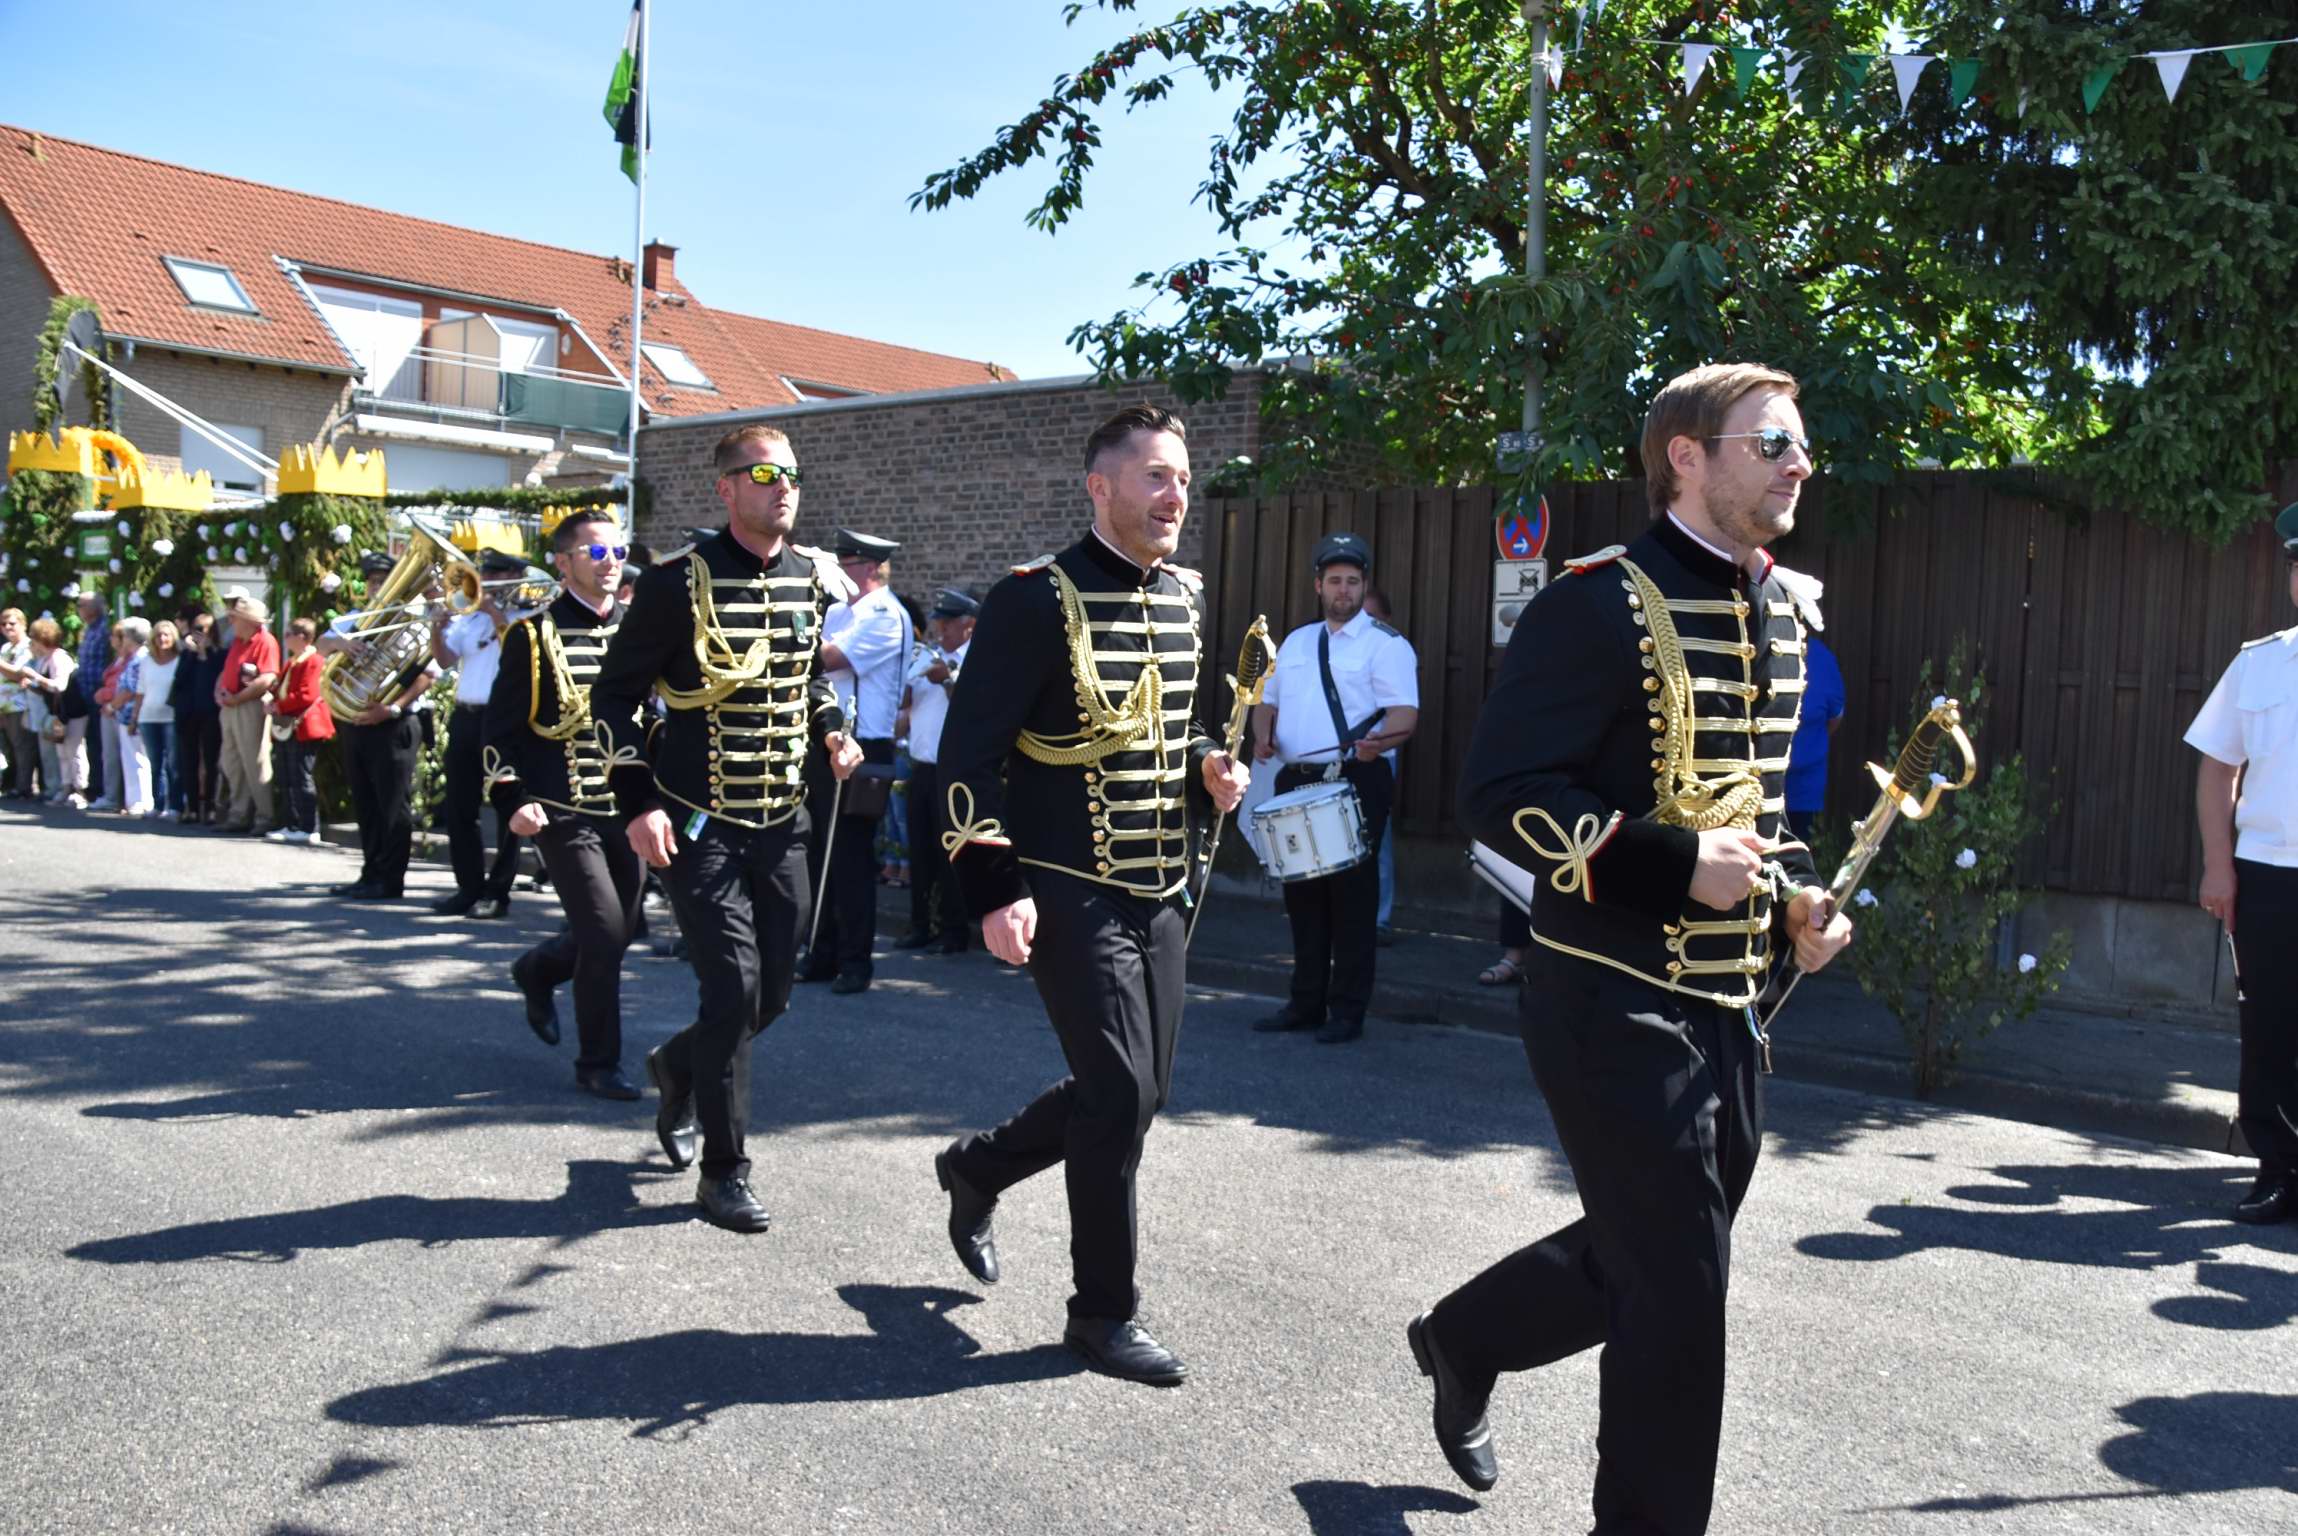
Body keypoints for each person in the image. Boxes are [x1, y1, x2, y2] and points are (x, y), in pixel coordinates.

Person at [1407, 362, 1853, 1530]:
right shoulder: (1596, 604)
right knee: (1680, 1295)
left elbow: (1756, 811)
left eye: (1800, 445)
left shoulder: (1779, 610)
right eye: (1771, 443)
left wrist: (1795, 900)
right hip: (1606, 995)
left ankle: (1466, 1337)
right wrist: (1669, 863)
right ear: (1687, 458)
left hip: (1730, 1002)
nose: (1798, 464)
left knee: (1651, 1254)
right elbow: (1499, 793)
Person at [933, 403, 1250, 1386]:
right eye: (1154, 476)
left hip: (1161, 883)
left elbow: (1172, 724)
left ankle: (978, 1167)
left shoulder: (1186, 597)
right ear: (1100, 487)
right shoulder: (1033, 599)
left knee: (1139, 1093)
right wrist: (995, 887)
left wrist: (1207, 766)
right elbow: (967, 756)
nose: (1175, 495)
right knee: (1117, 1092)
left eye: (1183, 478)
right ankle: (1102, 1313)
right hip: (1066, 883)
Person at [592, 423, 862, 1233]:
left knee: (770, 996)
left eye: (793, 475)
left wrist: (831, 729)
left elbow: (801, 675)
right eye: (767, 475)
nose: (785, 489)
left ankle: (677, 1065)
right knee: (732, 988)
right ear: (728, 488)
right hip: (697, 822)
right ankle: (724, 1172)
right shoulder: (677, 582)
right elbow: (614, 698)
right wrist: (637, 803)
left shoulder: (810, 578)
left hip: (784, 819)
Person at [486, 509, 647, 1101]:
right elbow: (499, 729)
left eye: (618, 553)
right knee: (603, 932)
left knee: (619, 930)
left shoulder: (639, 632)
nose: (610, 564)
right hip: (563, 805)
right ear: (563, 562)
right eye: (597, 553)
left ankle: (539, 969)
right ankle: (598, 1063)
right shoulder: (532, 638)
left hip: (630, 805)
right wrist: (511, 798)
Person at [1250, 532, 1420, 1043]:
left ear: (1363, 585)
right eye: (1334, 581)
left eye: (1352, 581)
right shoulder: (1297, 641)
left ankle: (1347, 1011)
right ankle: (1305, 1003)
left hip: (1356, 777)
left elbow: (1404, 715)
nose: (1343, 589)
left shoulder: (1387, 645)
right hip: (1295, 778)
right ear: (1318, 586)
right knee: (1302, 897)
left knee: (1353, 901)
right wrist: (1262, 736)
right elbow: (1266, 701)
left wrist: (1377, 743)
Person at [2188, 499, 2298, 1226]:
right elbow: (2217, 768)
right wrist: (2217, 865)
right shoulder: (2258, 664)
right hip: (2268, 875)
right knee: (2271, 1031)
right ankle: (2279, 1169)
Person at [801, 526, 911, 994]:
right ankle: (821, 952)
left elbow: (827, 658)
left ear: (870, 568)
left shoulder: (883, 613)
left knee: (849, 856)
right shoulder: (841, 610)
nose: (839, 574)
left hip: (863, 744)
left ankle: (855, 961)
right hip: (828, 737)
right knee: (818, 853)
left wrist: (790, 635)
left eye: (846, 565)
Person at [317, 558, 440, 900]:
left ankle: (391, 879)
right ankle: (370, 872)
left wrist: (391, 707)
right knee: (365, 802)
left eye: (383, 581)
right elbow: (321, 646)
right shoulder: (356, 620)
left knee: (393, 804)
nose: (376, 587)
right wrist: (343, 644)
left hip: (394, 722)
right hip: (356, 721)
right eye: (372, 581)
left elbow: (428, 675)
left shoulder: (414, 623)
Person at [893, 588, 978, 954]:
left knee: (950, 855)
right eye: (938, 623)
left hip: (954, 771)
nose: (940, 630)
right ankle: (920, 924)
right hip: (922, 767)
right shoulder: (929, 657)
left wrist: (946, 679)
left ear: (969, 625)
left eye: (947, 623)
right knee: (921, 851)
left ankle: (954, 929)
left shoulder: (975, 659)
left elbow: (971, 708)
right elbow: (904, 707)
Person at [213, 597, 281, 834]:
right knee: (231, 761)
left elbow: (267, 678)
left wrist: (238, 698)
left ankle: (265, 817)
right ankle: (238, 814)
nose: (230, 620)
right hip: (230, 707)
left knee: (255, 761)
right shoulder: (238, 641)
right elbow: (227, 670)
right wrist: (219, 690)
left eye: (235, 617)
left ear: (250, 621)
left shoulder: (265, 641)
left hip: (249, 706)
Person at [264, 617, 334, 845]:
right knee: (286, 776)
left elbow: (307, 694)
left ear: (302, 637)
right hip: (289, 725)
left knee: (302, 776)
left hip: (305, 725)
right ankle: (291, 824)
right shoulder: (293, 661)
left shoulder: (313, 660)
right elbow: (283, 689)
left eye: (288, 634)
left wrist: (279, 706)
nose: (285, 639)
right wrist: (272, 699)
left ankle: (309, 827)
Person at [4, 617, 82, 803]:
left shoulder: (59, 658)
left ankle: (80, 790)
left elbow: (59, 686)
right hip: (53, 713)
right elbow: (44, 689)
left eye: (34, 638)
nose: (31, 643)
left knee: (73, 753)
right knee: (58, 754)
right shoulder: (43, 660)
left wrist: (35, 677)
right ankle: (59, 789)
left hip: (70, 712)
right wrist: (31, 685)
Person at [1785, 630, 1845, 845]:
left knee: (1795, 854)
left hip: (1802, 791)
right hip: (1755, 788)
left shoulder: (1821, 658)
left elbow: (1834, 716)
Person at [170, 610, 225, 825]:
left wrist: (206, 653)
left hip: (211, 714)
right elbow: (179, 680)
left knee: (211, 761)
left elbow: (217, 678)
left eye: (205, 630)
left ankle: (210, 807)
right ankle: (192, 807)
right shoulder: (187, 655)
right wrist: (193, 654)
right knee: (189, 761)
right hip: (188, 714)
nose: (201, 634)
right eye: (198, 629)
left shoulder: (220, 655)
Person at [136, 619, 183, 820]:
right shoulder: (146, 661)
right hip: (148, 717)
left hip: (170, 718)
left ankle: (175, 806)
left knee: (173, 763)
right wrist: (134, 718)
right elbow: (140, 691)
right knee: (155, 764)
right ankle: (157, 804)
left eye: (166, 635)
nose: (162, 639)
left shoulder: (180, 660)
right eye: (159, 635)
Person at [74, 593, 109, 796]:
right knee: (93, 742)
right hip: (86, 695)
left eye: (81, 605)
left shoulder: (105, 628)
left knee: (101, 743)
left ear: (95, 607)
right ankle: (95, 785)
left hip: (100, 695)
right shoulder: (88, 629)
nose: (78, 608)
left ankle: (102, 787)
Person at [0, 608, 35, 798]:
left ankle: (24, 787)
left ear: (23, 624)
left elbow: (18, 673)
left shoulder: (28, 646)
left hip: (21, 704)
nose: (7, 627)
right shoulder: (5, 648)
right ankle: (11, 784)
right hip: (4, 704)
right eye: (3, 624)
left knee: (23, 746)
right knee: (10, 747)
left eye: (12, 623)